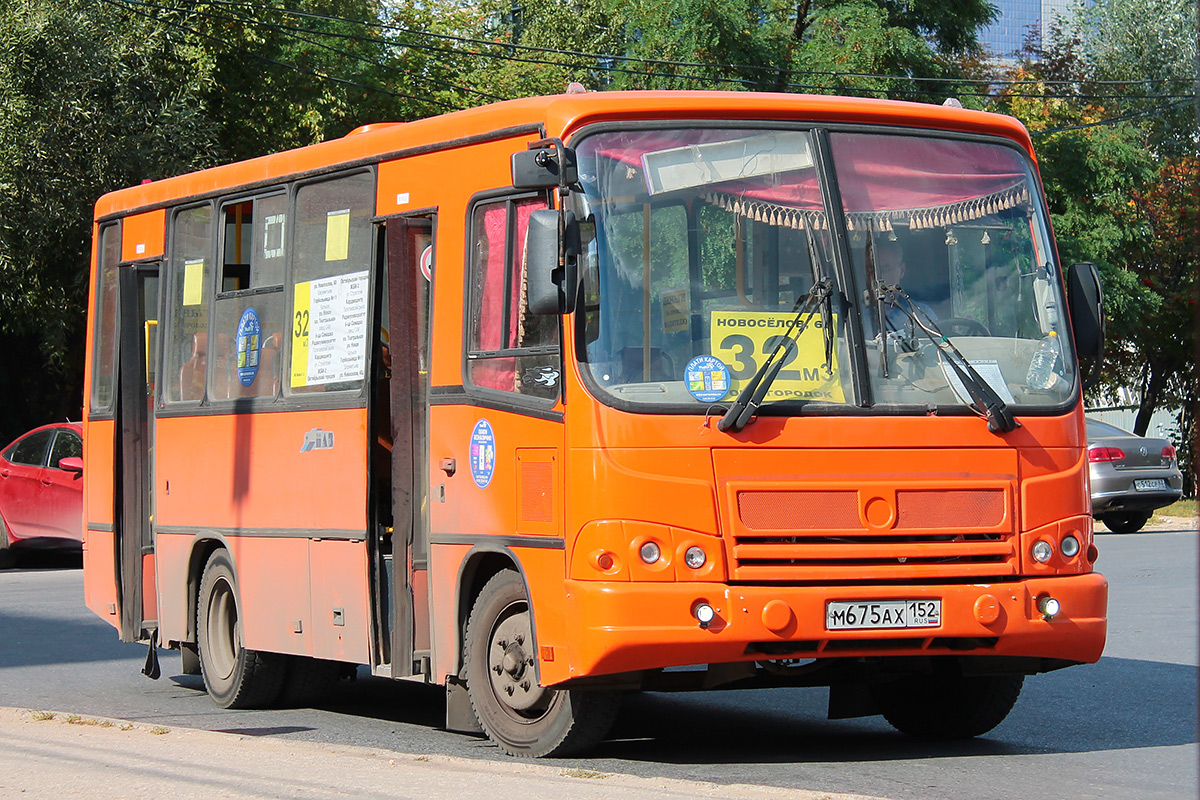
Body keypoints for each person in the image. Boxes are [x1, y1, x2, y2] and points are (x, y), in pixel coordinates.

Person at [866, 240, 936, 335]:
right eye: (871, 270)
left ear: (901, 270)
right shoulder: (854, 315)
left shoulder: (921, 314)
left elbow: (937, 345)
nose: (878, 277)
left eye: (885, 269)